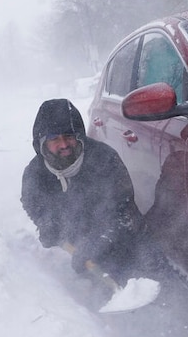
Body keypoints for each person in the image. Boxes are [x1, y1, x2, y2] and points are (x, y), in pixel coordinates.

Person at [20, 98, 145, 285]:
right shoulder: (35, 173)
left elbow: (123, 210)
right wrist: (47, 224)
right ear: (42, 143)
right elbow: (32, 204)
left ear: (79, 136)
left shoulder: (104, 159)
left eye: (69, 136)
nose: (63, 145)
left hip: (118, 237)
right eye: (54, 139)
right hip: (74, 240)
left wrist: (97, 243)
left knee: (141, 265)